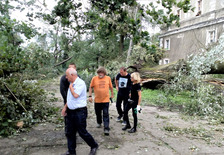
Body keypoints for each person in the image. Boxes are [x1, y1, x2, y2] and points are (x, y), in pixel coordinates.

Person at [61, 68, 98, 155]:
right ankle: (71, 151)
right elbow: (69, 98)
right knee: (69, 132)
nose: (66, 77)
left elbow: (76, 95)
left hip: (79, 112)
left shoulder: (80, 83)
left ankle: (94, 145)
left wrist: (70, 88)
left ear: (72, 75)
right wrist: (65, 107)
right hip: (70, 111)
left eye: (67, 75)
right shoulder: (71, 83)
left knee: (82, 132)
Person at [89, 67, 114, 136]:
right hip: (97, 100)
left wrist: (112, 94)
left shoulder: (108, 78)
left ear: (104, 73)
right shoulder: (94, 78)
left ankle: (106, 128)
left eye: (101, 73)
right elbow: (90, 87)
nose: (100, 74)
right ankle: (99, 122)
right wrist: (90, 96)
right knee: (98, 113)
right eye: (99, 73)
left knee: (106, 113)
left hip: (106, 100)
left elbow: (111, 87)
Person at [60, 63, 77, 151]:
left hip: (75, 101)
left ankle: (75, 131)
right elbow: (62, 90)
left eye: (72, 68)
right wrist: (67, 101)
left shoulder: (78, 79)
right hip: (67, 100)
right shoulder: (64, 78)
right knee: (67, 116)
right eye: (69, 68)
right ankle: (68, 131)